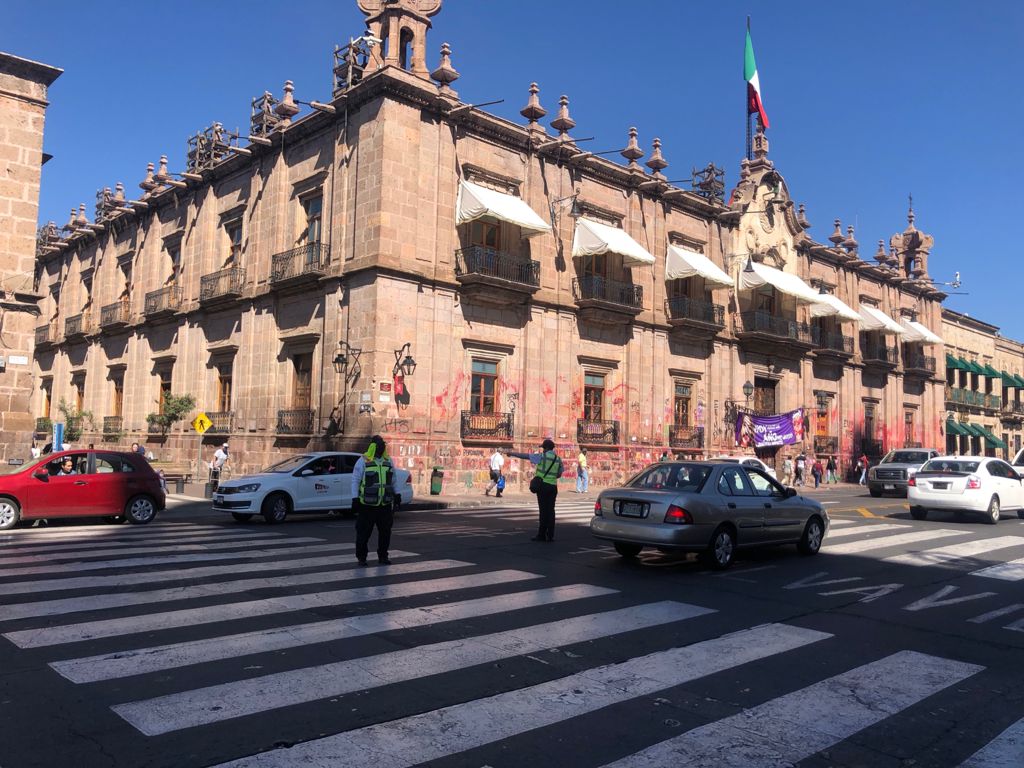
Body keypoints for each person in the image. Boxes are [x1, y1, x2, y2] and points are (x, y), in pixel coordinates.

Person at [351, 435, 395, 565]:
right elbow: (355, 480)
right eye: (378, 445)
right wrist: (355, 498)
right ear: (372, 446)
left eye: (382, 444)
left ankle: (383, 556)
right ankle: (362, 558)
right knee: (363, 534)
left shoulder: (388, 460)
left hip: (384, 504)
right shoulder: (363, 461)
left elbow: (393, 479)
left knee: (385, 533)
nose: (381, 447)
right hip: (367, 505)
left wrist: (397, 494)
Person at [509, 438, 563, 542]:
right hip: (553, 487)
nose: (542, 449)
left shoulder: (542, 457)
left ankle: (541, 535)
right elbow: (559, 473)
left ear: (547, 448)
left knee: (543, 511)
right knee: (551, 511)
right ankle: (550, 535)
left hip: (542, 486)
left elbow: (526, 456)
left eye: (543, 448)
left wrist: (513, 454)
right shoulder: (558, 459)